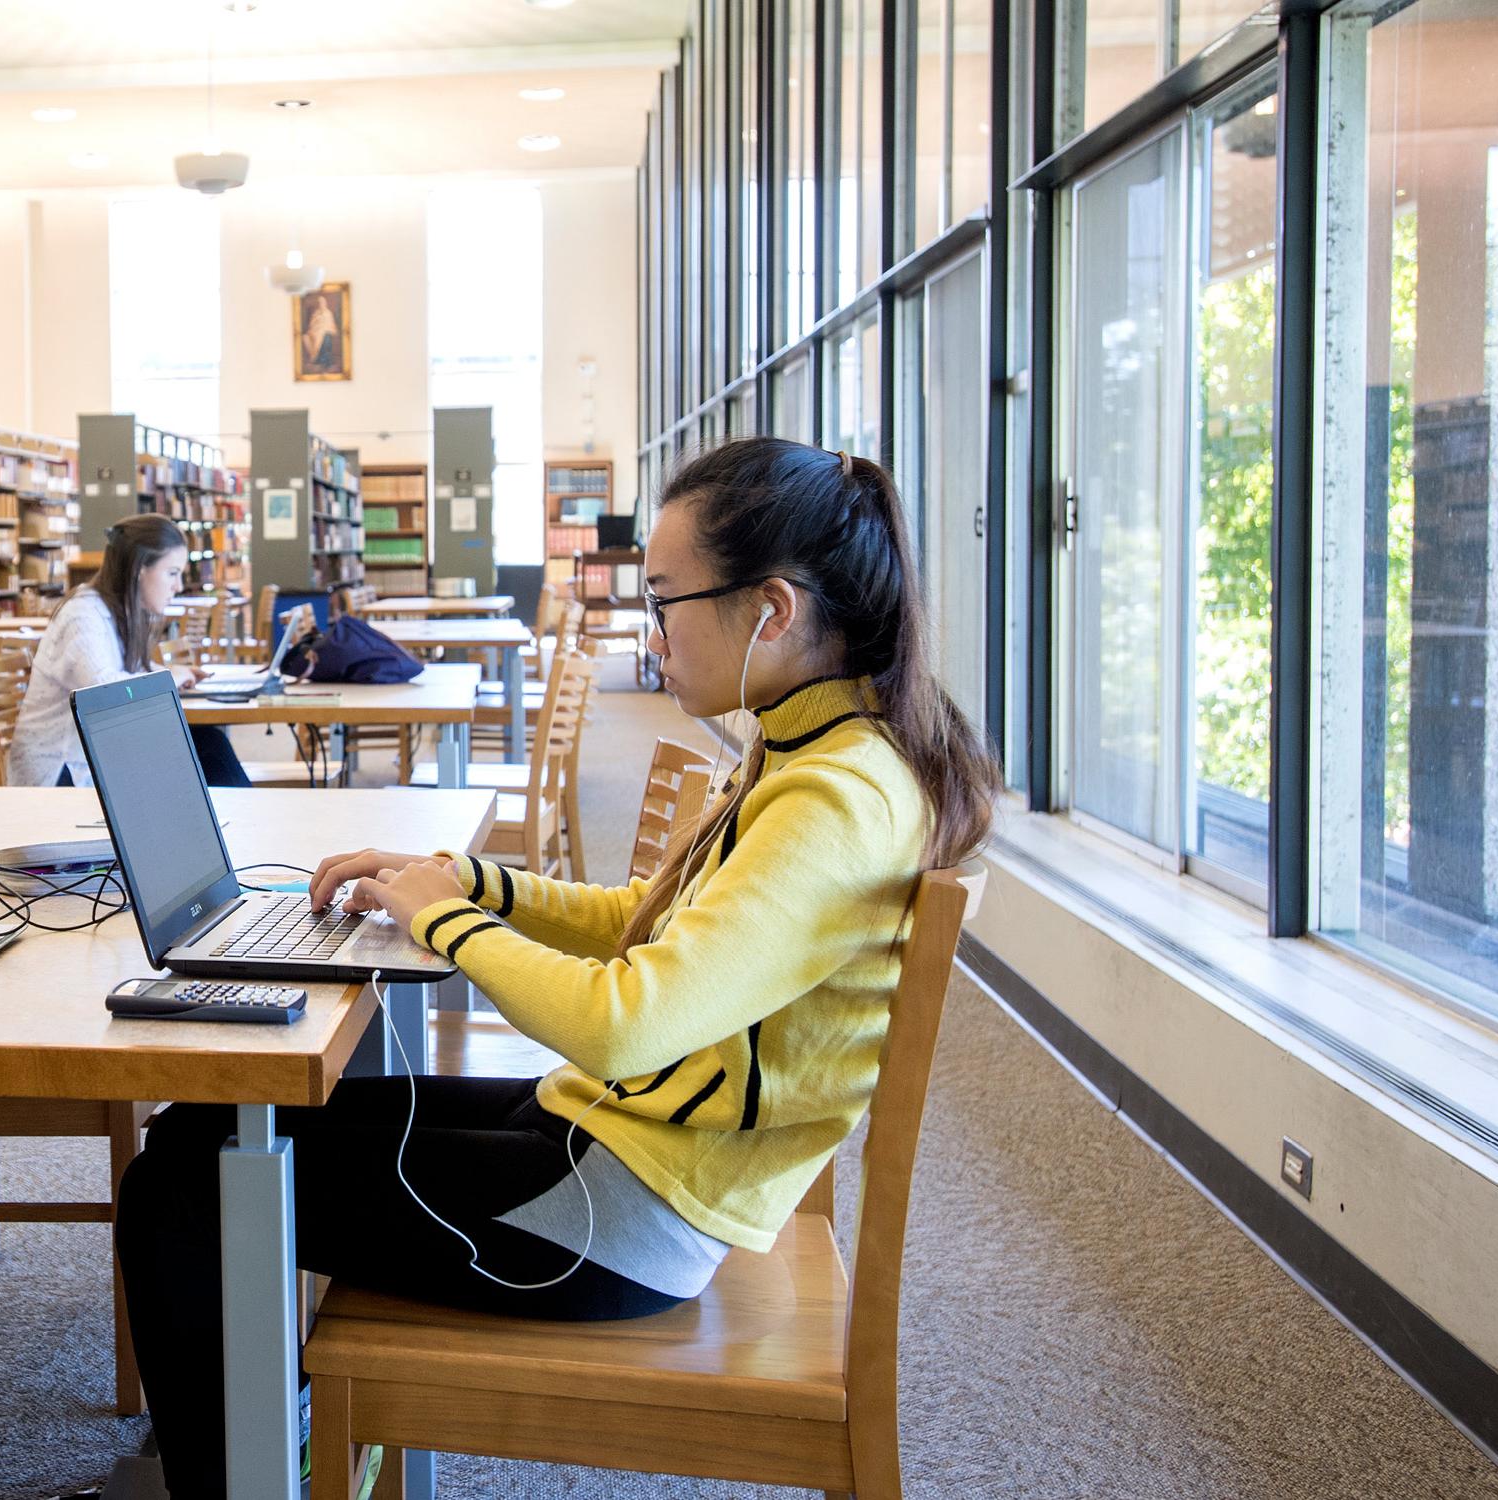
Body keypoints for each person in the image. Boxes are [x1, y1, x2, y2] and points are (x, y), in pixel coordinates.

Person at [111, 437, 998, 1497]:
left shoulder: (833, 799)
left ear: (769, 610)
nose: (650, 631)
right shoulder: (812, 745)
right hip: (616, 1143)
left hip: (615, 1219)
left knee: (180, 1184)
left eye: (664, 601)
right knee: (209, 1130)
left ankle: (238, 1476)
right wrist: (464, 882)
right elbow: (644, 919)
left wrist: (443, 925)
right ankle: (262, 1433)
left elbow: (626, 1020)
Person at [6, 513, 250, 789]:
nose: (178, 587)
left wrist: (169, 674)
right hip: (62, 771)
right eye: (172, 573)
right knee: (207, 749)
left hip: (99, 755)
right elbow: (105, 692)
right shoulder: (82, 616)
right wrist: (168, 679)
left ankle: (225, 828)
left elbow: (123, 672)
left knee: (208, 744)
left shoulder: (111, 611)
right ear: (138, 570)